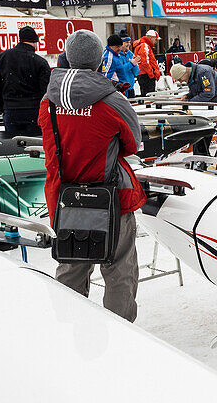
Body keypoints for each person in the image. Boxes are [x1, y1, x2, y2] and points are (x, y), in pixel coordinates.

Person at [37, 29, 144, 324]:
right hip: (111, 196)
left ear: (68, 59)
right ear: (99, 61)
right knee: (119, 268)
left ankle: (70, 325)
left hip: (66, 198)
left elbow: (54, 145)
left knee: (71, 266)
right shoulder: (112, 100)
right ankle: (122, 330)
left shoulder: (49, 102)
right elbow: (133, 143)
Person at [0, 26, 51, 138]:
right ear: (35, 42)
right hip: (34, 112)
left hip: (11, 111)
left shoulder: (1, 58)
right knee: (35, 148)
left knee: (14, 147)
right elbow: (46, 92)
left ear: (20, 40)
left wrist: (3, 107)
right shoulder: (40, 62)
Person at [133, 30, 161, 97]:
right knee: (149, 96)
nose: (156, 42)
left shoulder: (143, 45)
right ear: (151, 37)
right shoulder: (144, 46)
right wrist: (151, 75)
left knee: (146, 95)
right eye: (155, 39)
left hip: (144, 74)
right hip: (146, 75)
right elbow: (145, 62)